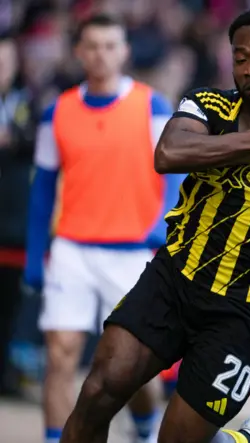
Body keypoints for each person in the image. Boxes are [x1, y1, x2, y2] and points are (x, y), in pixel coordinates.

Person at [59, 8, 250, 443]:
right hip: (172, 280)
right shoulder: (208, 103)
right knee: (96, 394)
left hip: (241, 307)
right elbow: (168, 154)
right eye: (241, 56)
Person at [24, 14, 180, 443]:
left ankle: (145, 428)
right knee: (59, 356)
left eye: (110, 45)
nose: (101, 54)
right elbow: (42, 190)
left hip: (133, 253)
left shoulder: (152, 106)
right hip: (72, 249)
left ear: (124, 51)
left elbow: (174, 177)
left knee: (131, 366)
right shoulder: (57, 112)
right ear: (79, 52)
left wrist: (161, 225)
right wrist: (37, 255)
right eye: (92, 46)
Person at [0, 32, 37, 397]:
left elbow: (34, 139)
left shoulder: (26, 100)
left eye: (7, 61)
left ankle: (6, 375)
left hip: (12, 226)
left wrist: (12, 138)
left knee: (11, 307)